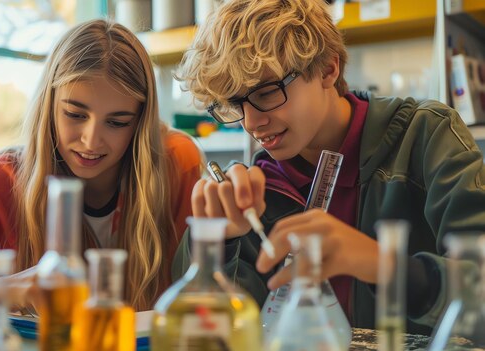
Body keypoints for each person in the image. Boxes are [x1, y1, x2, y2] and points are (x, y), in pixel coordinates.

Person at [172, 0, 485, 334]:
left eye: (265, 93)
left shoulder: (427, 136)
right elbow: (212, 332)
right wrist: (214, 246)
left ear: (327, 69)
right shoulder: (259, 192)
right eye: (235, 103)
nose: (251, 122)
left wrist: (384, 266)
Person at [0, 19, 203, 315]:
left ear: (140, 123)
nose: (92, 141)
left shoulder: (175, 163)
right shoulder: (2, 180)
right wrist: (11, 289)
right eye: (75, 115)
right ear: (48, 106)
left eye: (117, 122)